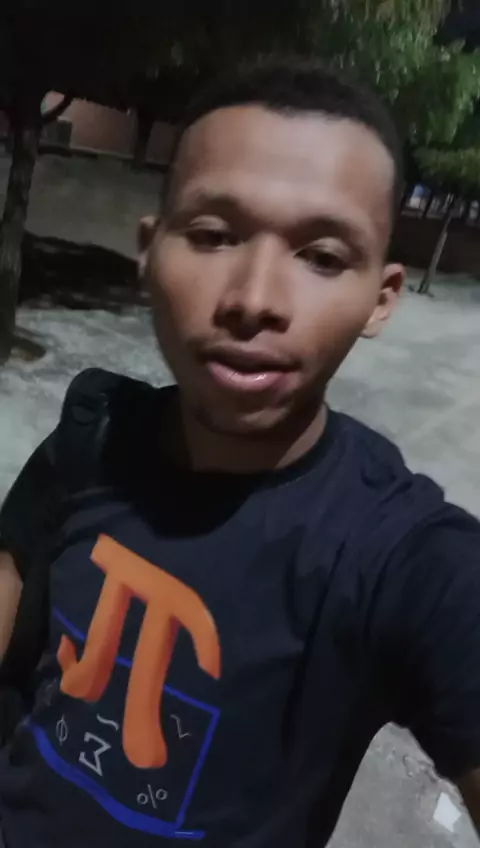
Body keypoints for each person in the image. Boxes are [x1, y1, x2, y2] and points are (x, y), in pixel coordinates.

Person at [0, 57, 479, 848]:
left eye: (323, 257)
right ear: (150, 251)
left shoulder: (399, 556)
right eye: (213, 235)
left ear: (381, 297)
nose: (254, 299)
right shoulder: (93, 434)